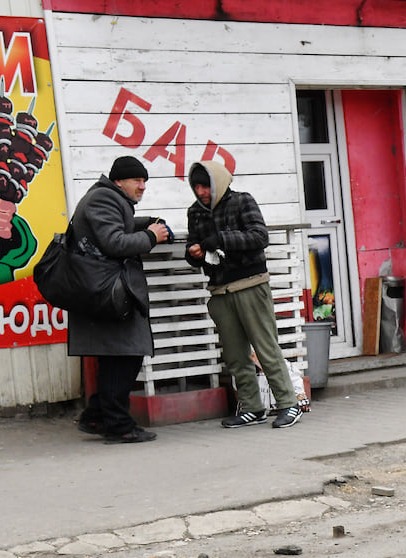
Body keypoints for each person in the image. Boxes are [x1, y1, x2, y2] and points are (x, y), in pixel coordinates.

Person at [185, 160, 302, 429]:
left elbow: (260, 236)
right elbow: (196, 245)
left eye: (206, 186)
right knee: (235, 355)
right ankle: (251, 407)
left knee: (266, 347)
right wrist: (194, 253)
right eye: (197, 187)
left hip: (251, 283)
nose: (201, 192)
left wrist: (222, 239)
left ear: (218, 183)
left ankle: (288, 404)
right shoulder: (195, 212)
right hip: (219, 289)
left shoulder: (242, 201)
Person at [69, 156, 171, 444]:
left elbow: (118, 226)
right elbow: (114, 242)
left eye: (144, 181)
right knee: (123, 356)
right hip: (108, 293)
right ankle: (118, 426)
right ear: (118, 181)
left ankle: (97, 416)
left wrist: (146, 222)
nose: (142, 186)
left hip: (104, 292)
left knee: (119, 354)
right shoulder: (103, 199)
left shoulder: (109, 198)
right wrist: (151, 236)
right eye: (137, 181)